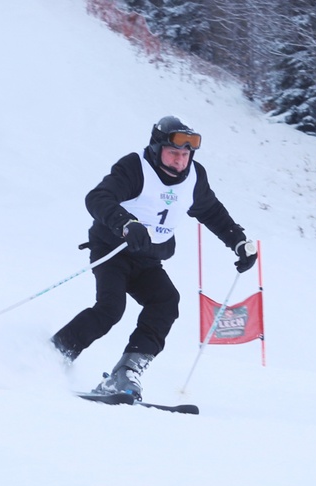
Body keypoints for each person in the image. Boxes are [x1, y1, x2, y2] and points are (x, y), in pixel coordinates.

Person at [51, 116, 257, 400]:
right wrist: (125, 223)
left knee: (166, 301)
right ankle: (51, 357)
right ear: (157, 148)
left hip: (148, 258)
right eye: (173, 153)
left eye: (185, 155)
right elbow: (98, 198)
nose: (179, 161)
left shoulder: (195, 177)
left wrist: (237, 241)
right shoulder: (136, 167)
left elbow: (211, 212)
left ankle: (126, 371)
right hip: (113, 250)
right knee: (111, 309)